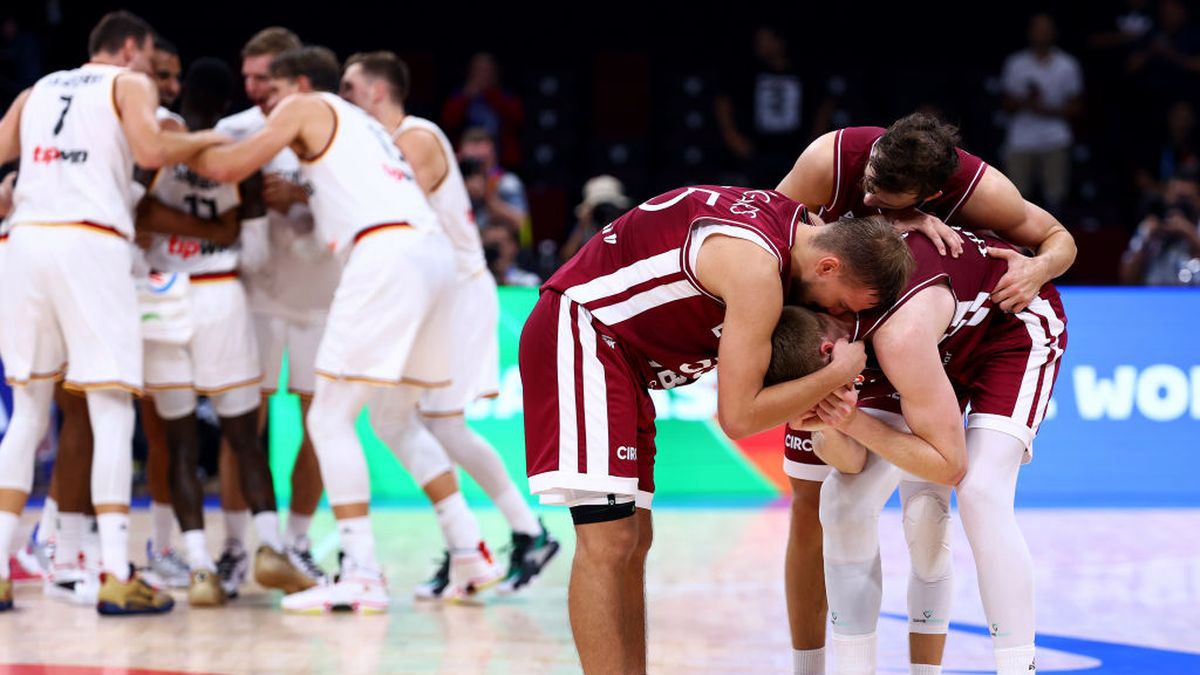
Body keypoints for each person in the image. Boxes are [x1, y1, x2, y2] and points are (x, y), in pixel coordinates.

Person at [521, 184, 912, 672]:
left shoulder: (793, 219)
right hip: (583, 333)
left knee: (635, 539)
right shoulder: (756, 271)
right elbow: (738, 417)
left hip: (625, 360)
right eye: (843, 306)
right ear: (828, 267)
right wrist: (834, 374)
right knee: (608, 542)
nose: (838, 317)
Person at [774, 111, 1077, 672]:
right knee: (838, 503)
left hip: (1001, 329)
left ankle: (1014, 667)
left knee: (975, 494)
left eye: (888, 196)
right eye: (868, 187)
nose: (869, 196)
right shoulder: (824, 187)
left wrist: (1037, 270)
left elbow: (948, 465)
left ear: (937, 193)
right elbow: (767, 239)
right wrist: (827, 414)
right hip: (907, 320)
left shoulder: (895, 328)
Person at [191, 45, 458, 614]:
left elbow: (228, 168)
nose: (265, 102)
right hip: (430, 253)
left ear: (300, 84)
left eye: (272, 90)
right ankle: (470, 550)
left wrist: (170, 138)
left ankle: (361, 571)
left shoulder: (304, 106)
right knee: (394, 417)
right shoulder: (364, 125)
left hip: (384, 252)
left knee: (329, 415)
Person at [0, 10, 226, 614]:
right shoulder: (128, 83)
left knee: (28, 410)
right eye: (150, 55)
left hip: (22, 240)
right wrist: (206, 140)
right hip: (90, 241)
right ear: (130, 48)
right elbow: (153, 147)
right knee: (110, 404)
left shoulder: (37, 88)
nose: (153, 67)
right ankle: (115, 572)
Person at [341, 50, 560, 598]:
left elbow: (375, 205)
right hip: (428, 292)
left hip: (456, 290)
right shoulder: (379, 143)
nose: (339, 100)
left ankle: (518, 532)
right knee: (407, 421)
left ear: (376, 92)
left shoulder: (415, 136)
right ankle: (475, 542)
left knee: (439, 423)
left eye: (348, 88)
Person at [136, 57, 315, 607]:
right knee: (243, 435)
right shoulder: (242, 164)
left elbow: (134, 218)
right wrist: (223, 234)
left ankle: (196, 567)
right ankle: (266, 547)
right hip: (220, 295)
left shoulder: (158, 152)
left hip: (161, 294)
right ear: (225, 108)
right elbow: (256, 254)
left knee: (178, 440)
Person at [213, 26, 338, 596]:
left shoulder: (329, 127)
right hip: (255, 298)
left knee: (320, 425)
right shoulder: (232, 132)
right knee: (244, 427)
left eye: (264, 77)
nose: (253, 86)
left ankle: (297, 543)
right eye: (248, 77)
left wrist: (303, 199)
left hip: (322, 299)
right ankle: (238, 547)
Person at [1000, 13, 1084, 214]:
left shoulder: (1067, 64)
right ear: (1030, 32)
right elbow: (1005, 104)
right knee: (1015, 199)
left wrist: (1048, 109)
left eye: (1046, 29)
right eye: (1037, 29)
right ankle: (1017, 245)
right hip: (1021, 138)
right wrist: (1027, 101)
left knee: (1055, 198)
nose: (1042, 33)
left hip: (1056, 137)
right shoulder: (1016, 63)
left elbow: (1077, 107)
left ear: (1054, 33)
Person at [441, 52, 524, 169]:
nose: (483, 75)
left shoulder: (504, 96)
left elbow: (517, 120)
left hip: (501, 159)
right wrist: (467, 96)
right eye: (478, 70)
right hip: (465, 159)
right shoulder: (460, 96)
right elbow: (448, 122)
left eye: (487, 70)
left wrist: (492, 94)